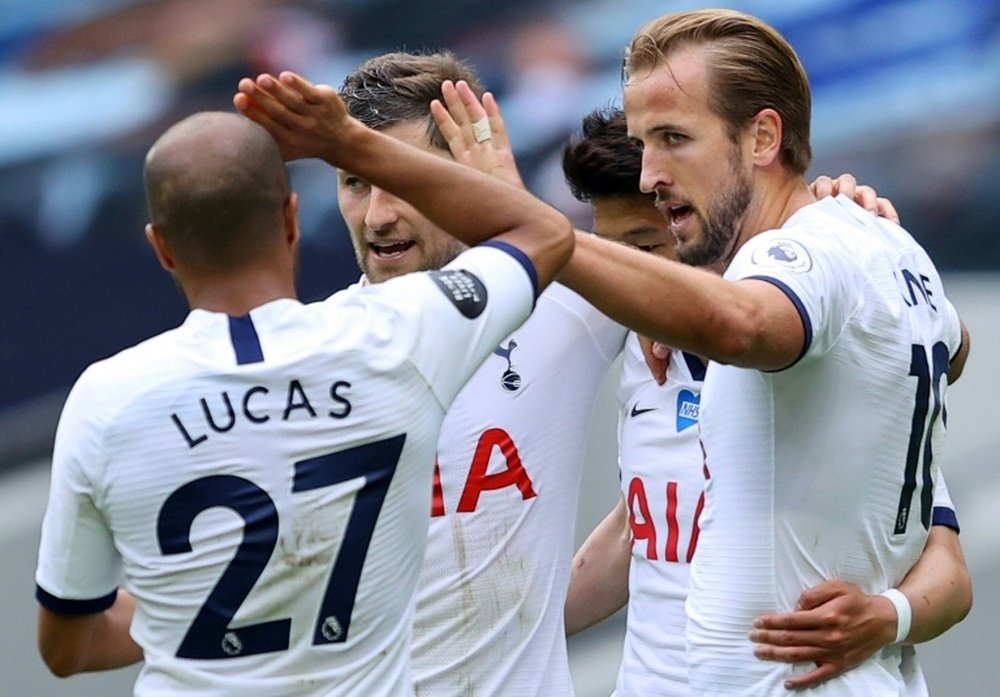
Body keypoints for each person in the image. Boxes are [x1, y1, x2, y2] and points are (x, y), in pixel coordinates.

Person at [33, 101, 574, 695]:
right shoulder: (398, 337)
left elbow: (67, 646)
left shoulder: (106, 401)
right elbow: (545, 232)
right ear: (292, 220)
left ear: (161, 247)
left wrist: (195, 606)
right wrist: (350, 143)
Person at [547, 9, 971, 695]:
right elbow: (949, 341)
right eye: (644, 143)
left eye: (674, 140)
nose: (654, 174)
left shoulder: (797, 259)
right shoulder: (882, 251)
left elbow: (744, 325)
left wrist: (536, 236)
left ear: (763, 138)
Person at [239, 51, 630, 696]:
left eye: (404, 178)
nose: (377, 217)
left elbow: (725, 282)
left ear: (464, 171)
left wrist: (832, 208)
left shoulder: (569, 304)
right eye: (355, 181)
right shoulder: (304, 355)